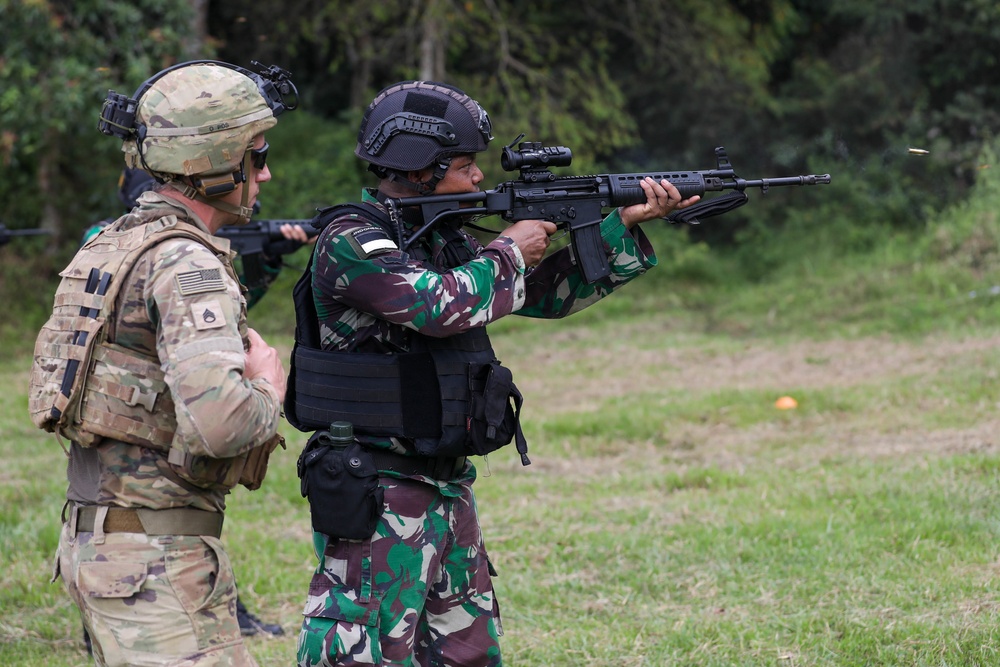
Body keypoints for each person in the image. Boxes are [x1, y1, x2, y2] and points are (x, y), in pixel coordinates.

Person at [286, 80, 699, 666]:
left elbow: (546, 296)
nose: (478, 178)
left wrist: (622, 228)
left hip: (446, 484)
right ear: (419, 169)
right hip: (377, 487)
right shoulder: (352, 240)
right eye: (464, 165)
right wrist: (507, 250)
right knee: (363, 651)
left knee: (468, 654)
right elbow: (436, 306)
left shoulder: (445, 238)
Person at [28, 60, 296, 666]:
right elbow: (222, 423)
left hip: (100, 547)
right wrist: (268, 387)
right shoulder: (187, 265)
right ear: (216, 161)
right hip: (156, 564)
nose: (267, 172)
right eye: (257, 156)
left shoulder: (112, 243)